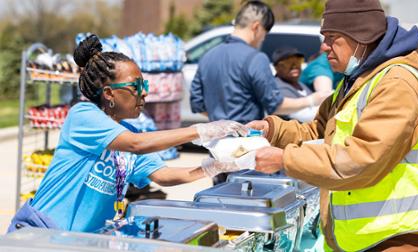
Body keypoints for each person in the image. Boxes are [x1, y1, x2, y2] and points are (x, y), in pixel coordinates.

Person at [246, 0, 418, 251]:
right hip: (360, 237)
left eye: (332, 37)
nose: (323, 46)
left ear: (362, 37)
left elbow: (364, 159)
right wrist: (271, 130)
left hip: (394, 238)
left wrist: (285, 160)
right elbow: (318, 130)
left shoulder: (397, 83)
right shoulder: (357, 80)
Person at [8, 35, 247, 233]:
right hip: (42, 233)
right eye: (136, 87)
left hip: (82, 240)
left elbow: (164, 175)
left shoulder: (131, 132)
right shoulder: (83, 116)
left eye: (145, 86)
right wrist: (200, 130)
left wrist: (213, 167)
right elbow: (135, 145)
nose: (144, 94)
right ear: (109, 94)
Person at [190, 0, 319, 125]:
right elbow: (275, 105)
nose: (263, 38)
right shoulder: (256, 58)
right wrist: (312, 100)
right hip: (246, 139)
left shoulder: (207, 56)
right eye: (265, 33)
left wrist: (220, 122)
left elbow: (197, 104)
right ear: (256, 27)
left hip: (214, 140)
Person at [272, 47, 330, 122]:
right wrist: (312, 100)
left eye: (298, 61)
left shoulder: (302, 85)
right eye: (288, 63)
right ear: (277, 68)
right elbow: (302, 116)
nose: (294, 66)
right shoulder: (277, 87)